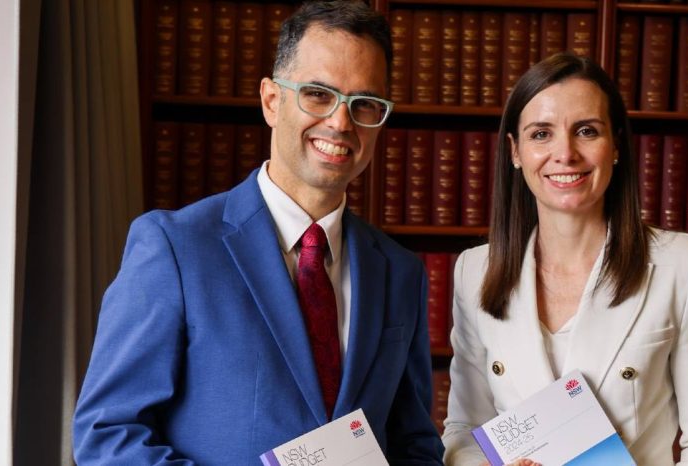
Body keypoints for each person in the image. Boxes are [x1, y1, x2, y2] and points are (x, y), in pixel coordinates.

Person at [73, 1, 443, 464]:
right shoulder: (174, 248)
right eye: (318, 94)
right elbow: (107, 434)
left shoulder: (400, 272)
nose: (341, 122)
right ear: (271, 100)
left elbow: (413, 445)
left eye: (364, 104)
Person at [441, 53, 688, 466]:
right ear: (515, 151)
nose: (564, 153)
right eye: (540, 134)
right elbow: (464, 430)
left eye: (586, 131)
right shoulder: (474, 272)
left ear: (616, 144)